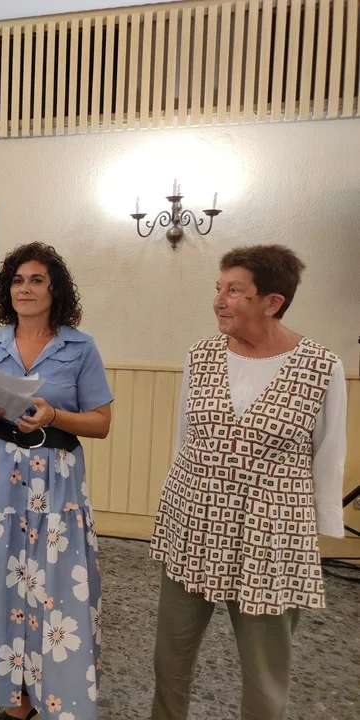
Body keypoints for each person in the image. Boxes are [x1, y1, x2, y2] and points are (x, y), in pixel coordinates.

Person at [150, 244, 347, 720]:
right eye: (218, 288)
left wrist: (312, 536)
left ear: (273, 302)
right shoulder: (201, 355)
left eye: (234, 291)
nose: (218, 301)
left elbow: (328, 455)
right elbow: (186, 439)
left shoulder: (321, 366)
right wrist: (174, 508)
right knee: (170, 656)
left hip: (270, 534)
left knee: (264, 669)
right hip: (195, 522)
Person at [0, 242, 114, 720]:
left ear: (55, 290)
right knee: (4, 579)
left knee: (55, 585)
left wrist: (54, 414)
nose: (25, 288)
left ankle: (55, 694)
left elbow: (101, 423)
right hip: (0, 472)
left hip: (55, 477)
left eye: (37, 280)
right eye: (17, 280)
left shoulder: (80, 347)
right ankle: (18, 701)